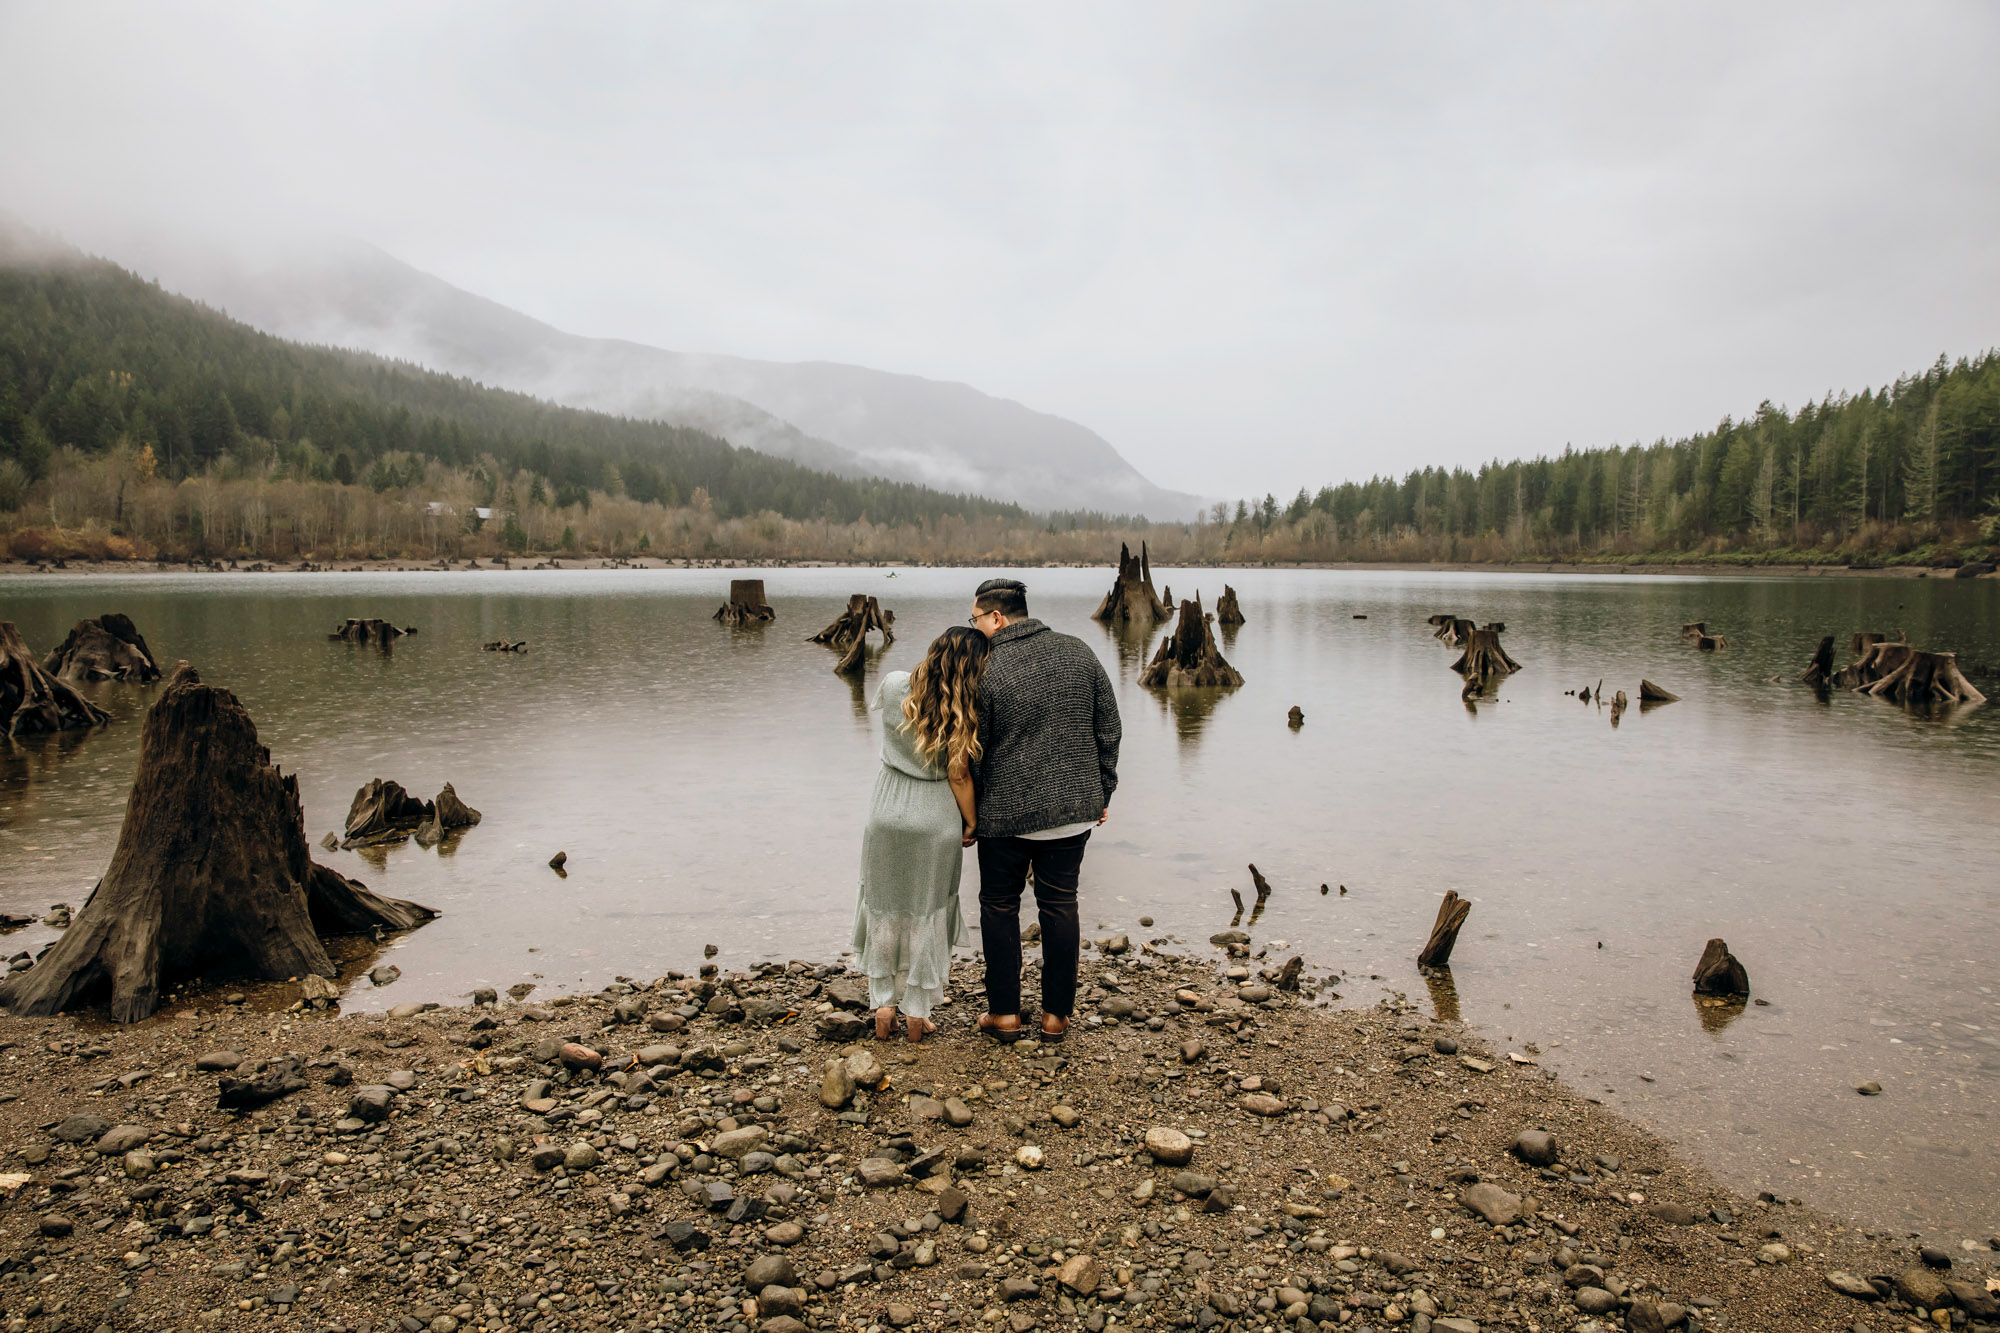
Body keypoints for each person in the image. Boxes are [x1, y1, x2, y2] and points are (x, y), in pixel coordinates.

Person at [966, 577, 1121, 1043]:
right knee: (1059, 906)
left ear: (996, 617)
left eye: (975, 620)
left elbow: (973, 751)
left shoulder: (987, 669)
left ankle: (1006, 1016)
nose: (973, 629)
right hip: (1073, 812)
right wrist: (1101, 792)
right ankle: (1056, 1017)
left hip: (1004, 818)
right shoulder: (1079, 651)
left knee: (998, 907)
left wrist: (970, 815)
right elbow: (1108, 728)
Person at [851, 626, 988, 1043]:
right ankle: (916, 1014)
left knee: (885, 906)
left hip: (886, 811)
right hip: (934, 817)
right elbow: (959, 773)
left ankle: (883, 1007)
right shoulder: (965, 706)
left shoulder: (894, 684)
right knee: (927, 911)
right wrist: (971, 821)